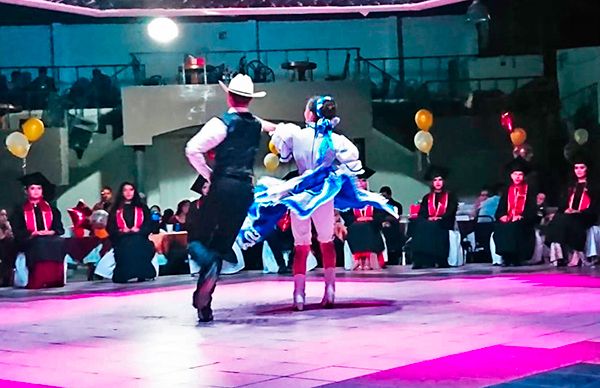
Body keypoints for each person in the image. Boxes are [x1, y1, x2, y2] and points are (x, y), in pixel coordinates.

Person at [238, 95, 396, 311]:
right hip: (324, 194)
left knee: (301, 246)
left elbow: (279, 146)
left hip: (302, 195)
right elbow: (353, 166)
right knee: (326, 242)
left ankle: (299, 295)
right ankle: (330, 291)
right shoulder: (336, 140)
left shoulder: (296, 134)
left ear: (310, 114)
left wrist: (250, 117)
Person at [185, 74, 272, 322]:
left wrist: (209, 175)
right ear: (249, 99)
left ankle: (208, 274)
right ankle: (205, 306)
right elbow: (272, 127)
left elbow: (192, 149)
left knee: (198, 243)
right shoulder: (255, 123)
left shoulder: (221, 123)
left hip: (223, 185)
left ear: (228, 95)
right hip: (245, 189)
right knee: (221, 245)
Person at [10, 173, 66, 289]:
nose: (36, 191)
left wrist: (50, 232)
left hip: (49, 238)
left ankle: (55, 279)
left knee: (58, 242)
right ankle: (39, 279)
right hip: (29, 240)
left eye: (39, 188)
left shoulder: (52, 209)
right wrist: (33, 233)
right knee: (39, 243)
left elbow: (59, 228)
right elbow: (17, 230)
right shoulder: (19, 210)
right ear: (26, 191)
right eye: (32, 188)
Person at [545, 153, 598, 267]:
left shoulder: (594, 186)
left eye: (582, 167)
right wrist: (566, 210)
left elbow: (595, 207)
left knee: (571, 219)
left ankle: (577, 253)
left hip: (587, 215)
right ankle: (558, 255)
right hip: (571, 215)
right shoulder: (570, 185)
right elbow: (563, 204)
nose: (578, 170)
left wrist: (579, 211)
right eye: (576, 168)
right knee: (559, 218)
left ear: (587, 169)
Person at [107, 182, 156, 283]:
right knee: (126, 245)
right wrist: (121, 231)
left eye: (131, 189)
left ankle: (142, 273)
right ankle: (125, 274)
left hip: (140, 237)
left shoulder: (142, 208)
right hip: (122, 239)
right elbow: (110, 228)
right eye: (125, 190)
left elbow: (149, 225)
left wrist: (139, 230)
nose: (128, 193)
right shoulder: (115, 209)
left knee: (139, 243)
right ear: (121, 192)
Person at [411, 165, 458, 269]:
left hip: (444, 222)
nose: (438, 182)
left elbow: (451, 210)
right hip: (430, 222)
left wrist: (440, 218)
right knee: (419, 225)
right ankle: (421, 260)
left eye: (440, 180)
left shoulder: (450, 196)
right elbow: (422, 213)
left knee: (435, 226)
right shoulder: (427, 197)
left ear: (444, 182)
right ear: (432, 182)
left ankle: (440, 259)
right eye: (435, 180)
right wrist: (428, 218)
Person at [493, 157, 537, 267]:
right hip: (508, 219)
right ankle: (506, 257)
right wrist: (502, 216)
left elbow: (532, 210)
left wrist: (521, 216)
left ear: (524, 176)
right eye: (515, 174)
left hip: (523, 221)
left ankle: (516, 258)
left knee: (515, 227)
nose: (517, 177)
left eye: (520, 174)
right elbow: (500, 209)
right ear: (511, 176)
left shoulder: (529, 190)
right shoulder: (507, 190)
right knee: (501, 226)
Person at [344, 169, 386, 270]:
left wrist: (370, 218)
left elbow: (380, 213)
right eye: (358, 181)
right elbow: (346, 214)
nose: (360, 183)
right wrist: (357, 219)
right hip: (355, 225)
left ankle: (368, 260)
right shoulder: (350, 198)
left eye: (363, 180)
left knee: (366, 227)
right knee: (355, 227)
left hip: (372, 225)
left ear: (367, 182)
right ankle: (358, 260)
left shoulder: (374, 197)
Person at [378, 185, 404, 265]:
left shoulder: (396, 205)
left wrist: (388, 219)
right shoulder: (378, 205)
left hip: (393, 230)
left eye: (385, 196)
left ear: (389, 195)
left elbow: (396, 217)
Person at [0, 209, 15, 287]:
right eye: (2, 215)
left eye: (6, 215)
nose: (4, 217)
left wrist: (9, 229)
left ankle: (7, 278)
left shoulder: (7, 228)